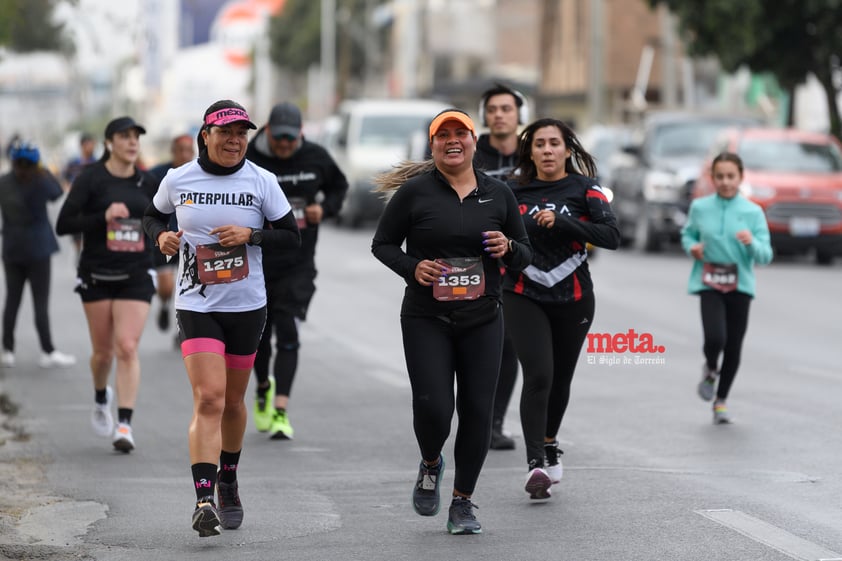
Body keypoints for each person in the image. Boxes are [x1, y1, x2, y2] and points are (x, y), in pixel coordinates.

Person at [142, 99, 300, 537]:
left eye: (242, 134)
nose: (234, 141)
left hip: (246, 306)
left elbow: (292, 237)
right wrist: (164, 237)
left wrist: (252, 235)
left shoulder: (262, 181)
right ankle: (204, 498)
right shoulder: (179, 179)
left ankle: (228, 477)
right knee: (209, 399)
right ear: (205, 135)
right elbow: (152, 215)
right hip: (197, 304)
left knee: (233, 402)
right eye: (226, 133)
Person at [371, 109, 532, 535]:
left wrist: (509, 246)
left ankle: (463, 502)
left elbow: (525, 254)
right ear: (433, 145)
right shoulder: (415, 193)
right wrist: (413, 268)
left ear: (474, 142)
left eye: (461, 133)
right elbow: (382, 245)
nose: (453, 140)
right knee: (434, 409)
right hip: (426, 317)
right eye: (444, 135)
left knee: (477, 411)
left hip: (482, 318)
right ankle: (430, 463)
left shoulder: (499, 195)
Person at [502, 118, 619, 501]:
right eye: (540, 144)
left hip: (573, 297)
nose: (548, 150)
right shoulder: (510, 189)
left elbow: (611, 236)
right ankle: (536, 462)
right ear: (529, 151)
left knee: (561, 378)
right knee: (539, 374)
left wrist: (565, 221)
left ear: (568, 149)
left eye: (555, 143)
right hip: (522, 292)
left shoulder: (587, 189)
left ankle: (549, 441)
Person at [55, 116, 159, 454]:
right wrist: (102, 217)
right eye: (124, 137)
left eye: (136, 137)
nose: (132, 142)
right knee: (102, 354)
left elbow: (163, 220)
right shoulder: (91, 179)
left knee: (127, 347)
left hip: (135, 275)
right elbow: (64, 223)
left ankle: (125, 424)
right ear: (109, 143)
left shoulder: (148, 182)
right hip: (97, 275)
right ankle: (101, 396)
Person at [245, 101, 348, 439]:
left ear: (301, 134)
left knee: (288, 331)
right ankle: (262, 387)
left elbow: (339, 185)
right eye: (280, 138)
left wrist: (325, 209)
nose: (286, 145)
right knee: (260, 337)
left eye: (292, 138)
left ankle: (280, 411)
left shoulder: (316, 157)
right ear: (268, 131)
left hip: (299, 263)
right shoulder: (249, 160)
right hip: (257, 262)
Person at [681, 152, 772, 425]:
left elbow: (766, 255)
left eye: (731, 176)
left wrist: (751, 244)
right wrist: (692, 248)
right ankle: (710, 368)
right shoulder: (700, 208)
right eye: (720, 176)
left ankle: (721, 401)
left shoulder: (753, 212)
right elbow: (688, 234)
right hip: (709, 281)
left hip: (740, 285)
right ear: (713, 178)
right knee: (715, 338)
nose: (725, 182)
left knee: (733, 346)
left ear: (741, 178)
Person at [474, 83, 529, 450]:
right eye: (492, 109)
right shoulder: (471, 149)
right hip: (473, 257)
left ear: (518, 115)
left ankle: (493, 423)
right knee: (475, 342)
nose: (498, 115)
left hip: (518, 256)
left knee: (509, 343)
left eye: (506, 109)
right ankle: (474, 413)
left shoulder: (534, 150)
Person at [0, 141, 76, 369]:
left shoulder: (4, 182)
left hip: (12, 248)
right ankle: (47, 350)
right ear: (36, 163)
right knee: (39, 302)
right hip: (39, 249)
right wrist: (44, 170)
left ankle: (8, 350)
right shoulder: (41, 181)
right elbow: (58, 191)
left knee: (12, 300)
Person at [148, 133, 196, 335]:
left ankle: (182, 329)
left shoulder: (199, 175)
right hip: (165, 237)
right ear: (173, 152)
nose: (184, 155)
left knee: (188, 286)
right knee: (167, 287)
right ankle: (165, 306)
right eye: (180, 150)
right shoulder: (158, 174)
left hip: (191, 239)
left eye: (188, 150)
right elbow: (147, 209)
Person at [62, 132, 98, 258]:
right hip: (76, 205)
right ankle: (79, 254)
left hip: (92, 204)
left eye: (93, 144)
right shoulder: (73, 163)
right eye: (90, 144)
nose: (92, 147)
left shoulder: (97, 163)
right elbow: (65, 179)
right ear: (82, 145)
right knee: (77, 234)